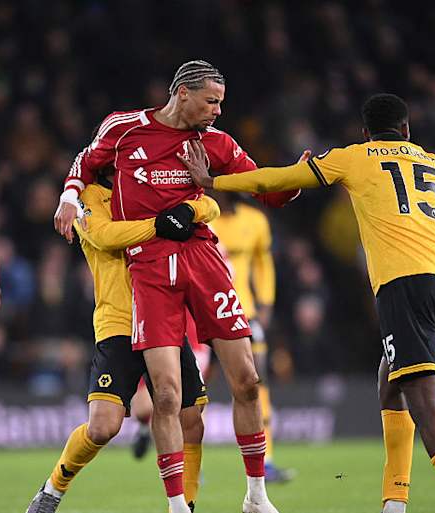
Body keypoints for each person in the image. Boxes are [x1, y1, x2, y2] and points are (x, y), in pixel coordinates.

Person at [179, 93, 435, 513]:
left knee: (425, 402)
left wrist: (214, 181)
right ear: (407, 130)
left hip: (405, 285)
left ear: (364, 132)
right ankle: (394, 502)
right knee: (389, 379)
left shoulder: (355, 156)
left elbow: (274, 180)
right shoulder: (430, 160)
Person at [52, 60, 298, 513]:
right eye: (212, 101)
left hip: (203, 261)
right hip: (148, 270)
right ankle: (178, 507)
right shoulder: (125, 129)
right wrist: (70, 196)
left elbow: (263, 186)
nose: (218, 111)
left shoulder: (214, 143)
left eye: (221, 103)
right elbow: (86, 161)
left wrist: (295, 180)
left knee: (247, 380)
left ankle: (256, 496)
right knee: (166, 396)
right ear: (182, 94)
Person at [26, 167, 217, 512]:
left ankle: (184, 506)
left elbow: (209, 208)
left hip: (164, 318)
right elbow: (104, 236)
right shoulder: (88, 198)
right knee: (103, 427)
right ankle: (53, 488)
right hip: (118, 323)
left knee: (191, 420)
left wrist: (188, 211)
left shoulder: (153, 191)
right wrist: (161, 225)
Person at [209, 192, 294, 482]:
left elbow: (263, 263)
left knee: (257, 382)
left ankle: (266, 461)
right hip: (203, 314)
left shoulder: (255, 221)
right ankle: (189, 464)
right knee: (193, 385)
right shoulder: (202, 214)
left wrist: (266, 302)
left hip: (243, 312)